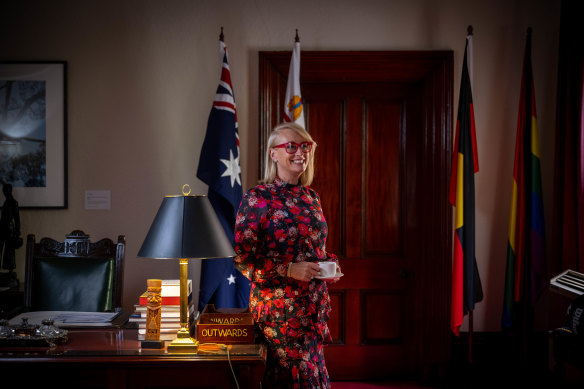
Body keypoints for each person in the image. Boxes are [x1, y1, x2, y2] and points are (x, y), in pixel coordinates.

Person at [233, 122, 341, 388]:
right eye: (291, 146)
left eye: (305, 146)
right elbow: (242, 260)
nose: (300, 152)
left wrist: (328, 264)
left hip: (313, 311)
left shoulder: (311, 198)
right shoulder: (257, 198)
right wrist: (288, 269)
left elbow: (313, 250)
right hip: (279, 317)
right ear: (274, 154)